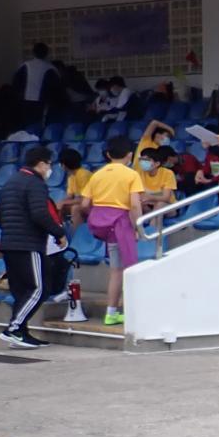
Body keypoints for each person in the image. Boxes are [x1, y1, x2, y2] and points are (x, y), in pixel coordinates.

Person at [0, 145, 66, 349]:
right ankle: (14, 329)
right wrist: (58, 233)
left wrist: (12, 231)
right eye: (49, 165)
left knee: (22, 291)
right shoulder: (35, 183)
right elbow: (40, 214)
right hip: (28, 244)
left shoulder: (11, 182)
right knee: (39, 288)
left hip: (10, 244)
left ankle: (21, 333)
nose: (50, 169)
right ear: (41, 164)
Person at [83, 135, 145, 327]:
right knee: (130, 269)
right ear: (130, 155)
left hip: (104, 225)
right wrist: (138, 227)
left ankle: (111, 313)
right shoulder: (131, 175)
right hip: (122, 223)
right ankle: (133, 312)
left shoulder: (97, 174)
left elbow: (85, 204)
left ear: (108, 154)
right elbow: (135, 205)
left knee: (115, 270)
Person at [12, 43, 59, 126]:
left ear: (33, 52)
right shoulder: (51, 68)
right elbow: (56, 88)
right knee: (39, 125)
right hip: (43, 103)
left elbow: (16, 84)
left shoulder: (25, 65)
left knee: (26, 125)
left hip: (25, 101)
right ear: (47, 53)